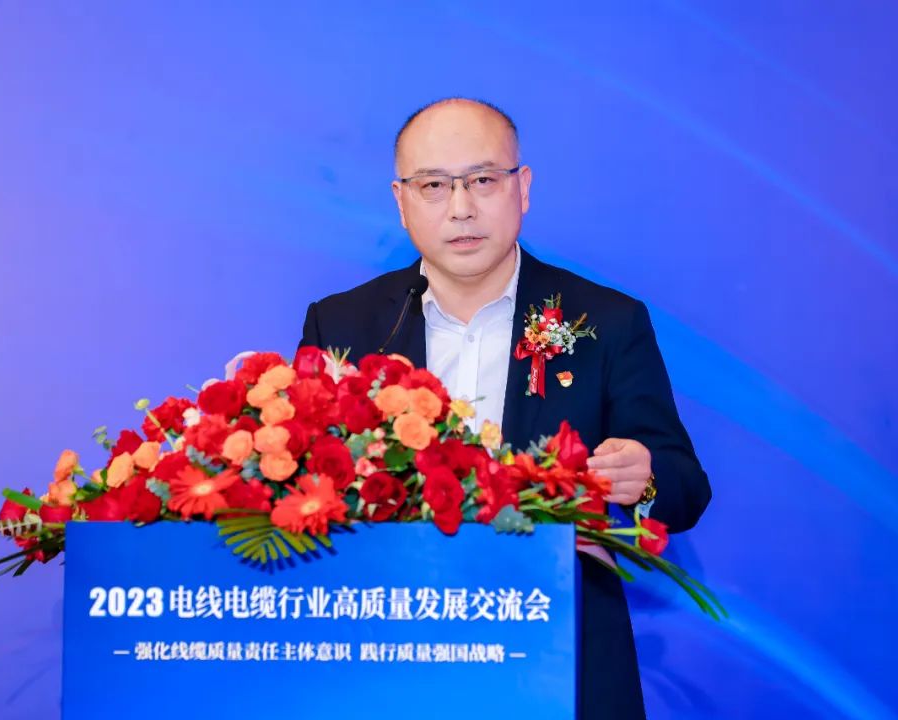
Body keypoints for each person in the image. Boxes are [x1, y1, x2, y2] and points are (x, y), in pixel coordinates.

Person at [298, 97, 710, 719]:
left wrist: (642, 475)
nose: (461, 207)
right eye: (434, 185)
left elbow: (684, 488)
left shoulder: (607, 321)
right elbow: (304, 483)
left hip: (560, 659)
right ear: (401, 202)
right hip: (389, 659)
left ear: (523, 188)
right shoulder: (343, 323)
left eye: (483, 180)